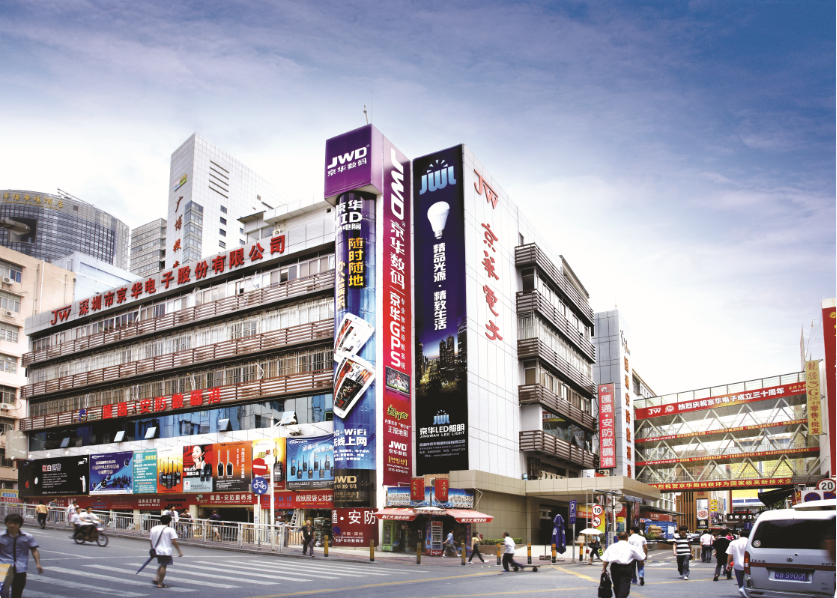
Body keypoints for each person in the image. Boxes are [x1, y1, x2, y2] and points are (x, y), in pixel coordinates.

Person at [0, 513, 43, 598]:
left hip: (20, 568)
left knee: (17, 592)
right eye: (10, 523)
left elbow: (34, 550)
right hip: (2, 567)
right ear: (6, 523)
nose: (12, 525)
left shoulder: (28, 537)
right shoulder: (1, 536)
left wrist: (38, 563)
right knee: (2, 593)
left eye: (15, 523)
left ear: (20, 524)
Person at [602, 531, 646, 598]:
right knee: (625, 585)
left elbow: (605, 559)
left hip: (614, 567)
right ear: (627, 538)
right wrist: (642, 562)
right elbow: (640, 557)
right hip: (626, 568)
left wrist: (604, 569)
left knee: (616, 584)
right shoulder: (631, 547)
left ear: (617, 537)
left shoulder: (612, 546)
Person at [150, 514, 183, 589]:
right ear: (169, 521)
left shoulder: (153, 528)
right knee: (164, 565)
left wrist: (152, 549)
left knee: (162, 563)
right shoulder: (170, 530)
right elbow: (174, 541)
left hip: (156, 550)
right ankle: (160, 583)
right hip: (165, 551)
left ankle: (156, 578)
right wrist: (179, 551)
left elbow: (151, 540)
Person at [727, 529, 749, 596]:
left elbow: (730, 554)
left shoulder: (733, 543)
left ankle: (742, 592)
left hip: (737, 564)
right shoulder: (750, 542)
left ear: (740, 535)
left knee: (740, 580)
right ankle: (747, 591)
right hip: (749, 565)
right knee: (749, 579)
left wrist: (728, 564)